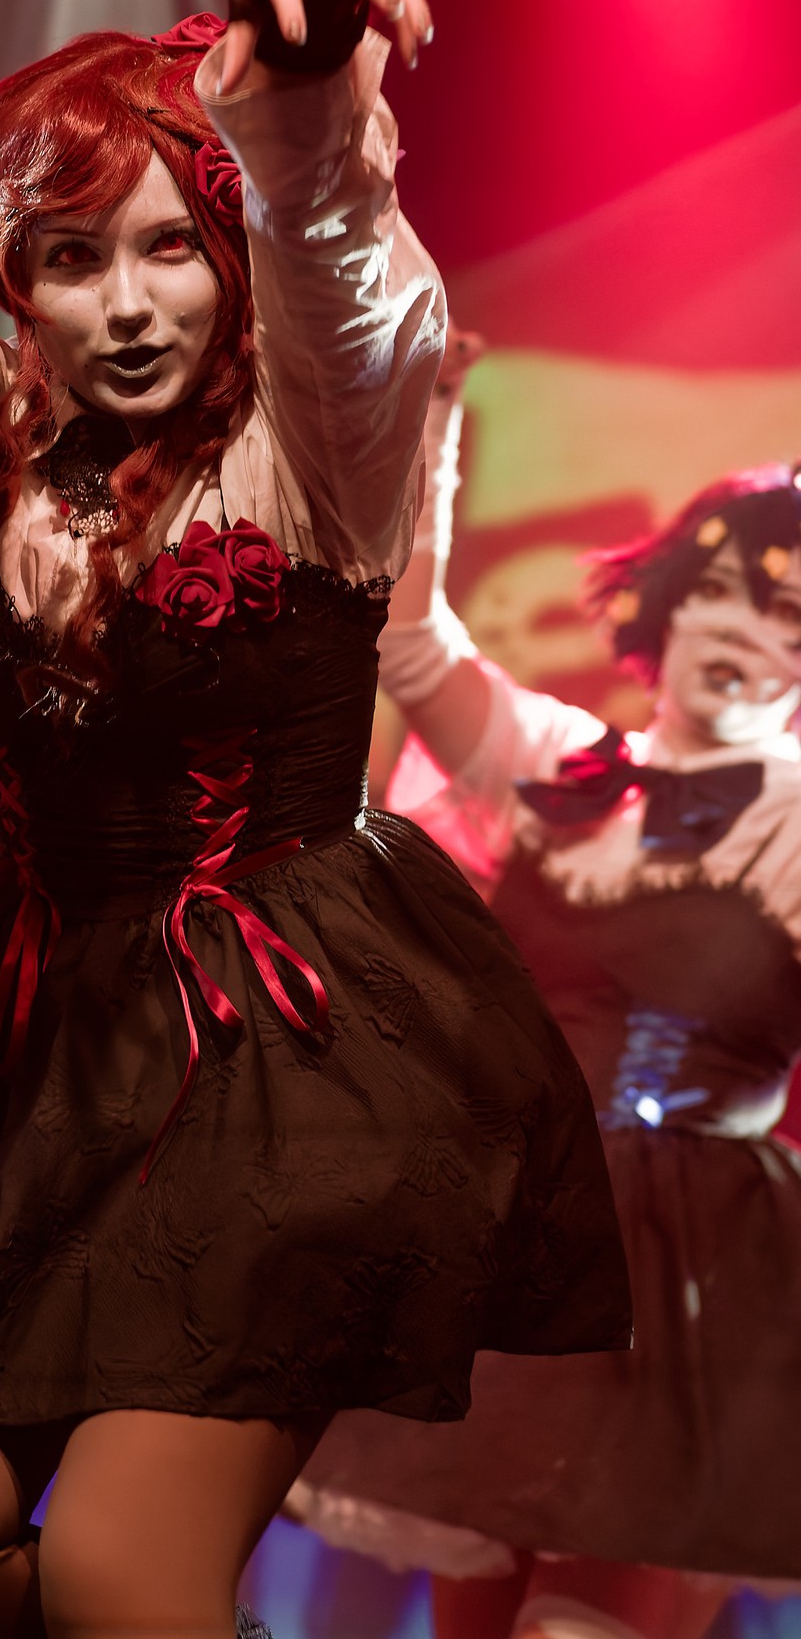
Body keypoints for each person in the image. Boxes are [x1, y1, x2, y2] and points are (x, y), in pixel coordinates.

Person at [0, 0, 631, 1639]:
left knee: (119, 1582)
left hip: (291, 1054)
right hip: (34, 1053)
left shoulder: (318, 457)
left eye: (171, 247)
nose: (131, 305)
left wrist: (297, 72)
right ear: (21, 288)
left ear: (230, 249)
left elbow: (342, 273)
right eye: (72, 260)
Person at [290, 337, 801, 1639]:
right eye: (723, 591)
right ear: (668, 604)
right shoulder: (567, 766)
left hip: (697, 1288)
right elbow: (414, 645)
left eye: (791, 615)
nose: (745, 629)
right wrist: (435, 432)